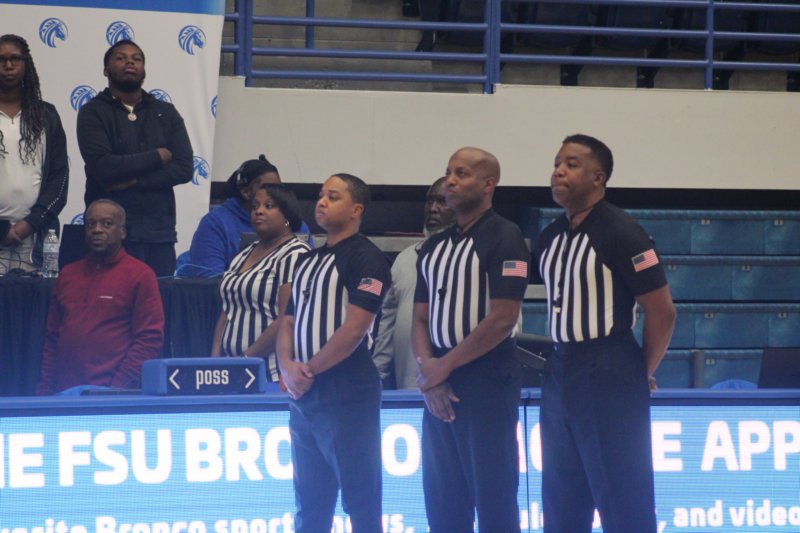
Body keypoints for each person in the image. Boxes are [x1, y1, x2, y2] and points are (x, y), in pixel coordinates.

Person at [535, 134, 676, 532]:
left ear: (598, 178)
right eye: (557, 163)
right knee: (561, 497)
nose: (558, 171)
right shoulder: (550, 237)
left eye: (571, 164)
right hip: (560, 367)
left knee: (622, 496)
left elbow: (662, 312)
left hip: (609, 362)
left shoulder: (623, 232)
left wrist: (637, 373)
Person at [412, 147, 529, 532]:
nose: (450, 180)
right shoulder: (433, 247)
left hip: (487, 378)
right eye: (448, 172)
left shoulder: (505, 236)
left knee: (494, 499)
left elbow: (503, 318)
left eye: (461, 173)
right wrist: (431, 376)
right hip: (438, 381)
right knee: (442, 501)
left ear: (488, 183)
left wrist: (440, 369)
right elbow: (419, 318)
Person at [277, 173, 391, 532]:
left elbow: (355, 329)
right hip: (304, 395)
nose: (322, 202)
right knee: (309, 502)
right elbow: (287, 321)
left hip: (347, 390)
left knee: (360, 500)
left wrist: (306, 370)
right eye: (321, 195)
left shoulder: (367, 258)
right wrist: (286, 367)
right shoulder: (307, 261)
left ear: (356, 209)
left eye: (333, 196)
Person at [77, 39, 193, 277]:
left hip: (158, 232)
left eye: (136, 59)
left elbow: (183, 168)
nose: (130, 62)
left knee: (159, 297)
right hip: (110, 237)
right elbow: (103, 167)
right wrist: (157, 156)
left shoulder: (165, 112)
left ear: (143, 69)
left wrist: (135, 181)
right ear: (106, 70)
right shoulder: (93, 112)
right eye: (121, 58)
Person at [36, 199, 164, 395]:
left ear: (122, 232)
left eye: (107, 224)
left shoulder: (140, 275)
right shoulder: (68, 274)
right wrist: (45, 391)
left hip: (113, 396)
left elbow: (149, 339)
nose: (97, 230)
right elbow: (53, 338)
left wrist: (117, 388)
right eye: (91, 224)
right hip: (63, 395)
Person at [211, 183, 311, 389]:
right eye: (255, 206)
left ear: (287, 215)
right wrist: (215, 361)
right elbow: (228, 309)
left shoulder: (295, 253)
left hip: (269, 373)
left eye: (269, 206)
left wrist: (246, 359)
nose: (259, 211)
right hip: (229, 371)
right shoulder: (243, 254)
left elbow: (287, 318)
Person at [373, 176, 454, 389]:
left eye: (442, 201)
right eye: (429, 201)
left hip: (456, 386)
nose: (433, 209)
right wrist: (379, 374)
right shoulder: (405, 259)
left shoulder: (474, 257)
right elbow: (387, 325)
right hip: (408, 387)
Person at [0, 34, 68, 274]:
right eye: (1, 60)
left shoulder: (46, 115)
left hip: (36, 236)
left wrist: (30, 223)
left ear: (26, 64)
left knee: (35, 298)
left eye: (15, 59)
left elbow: (59, 178)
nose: (8, 65)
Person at [187, 155, 311, 277]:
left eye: (278, 187)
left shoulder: (294, 222)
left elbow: (310, 271)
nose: (274, 193)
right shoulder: (215, 223)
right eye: (266, 187)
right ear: (246, 192)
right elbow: (208, 279)